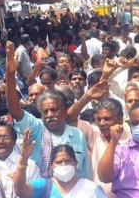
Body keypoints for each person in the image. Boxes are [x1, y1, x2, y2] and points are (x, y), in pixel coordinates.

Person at [5, 42, 89, 179]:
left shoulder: (77, 134)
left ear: (64, 110)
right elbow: (15, 111)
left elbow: (85, 173)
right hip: (42, 195)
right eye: (45, 111)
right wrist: (10, 74)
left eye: (54, 110)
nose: (50, 115)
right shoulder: (36, 128)